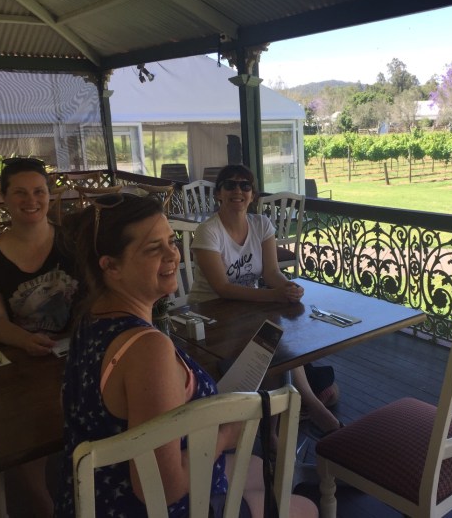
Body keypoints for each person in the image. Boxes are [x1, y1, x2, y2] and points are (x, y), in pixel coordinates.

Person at [55, 194, 316, 517]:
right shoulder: (145, 348)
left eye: (171, 241)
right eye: (154, 248)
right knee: (305, 508)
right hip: (146, 507)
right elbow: (161, 487)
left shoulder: (89, 320)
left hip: (90, 498)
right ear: (111, 266)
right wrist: (227, 433)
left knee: (256, 465)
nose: (173, 255)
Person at [188, 165, 342, 437]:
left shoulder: (261, 225)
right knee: (270, 346)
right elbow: (222, 288)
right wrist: (273, 295)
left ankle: (276, 426)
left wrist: (287, 287)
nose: (238, 190)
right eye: (230, 185)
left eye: (245, 185)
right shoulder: (208, 231)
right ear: (219, 194)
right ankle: (306, 411)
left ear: (253, 195)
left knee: (276, 343)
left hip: (248, 310)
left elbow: (271, 272)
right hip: (211, 316)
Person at [0, 157, 80, 517]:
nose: (31, 200)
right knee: (26, 438)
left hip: (74, 354)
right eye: (19, 193)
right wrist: (24, 340)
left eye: (39, 191)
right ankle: (44, 506)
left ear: (49, 195)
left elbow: (94, 298)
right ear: (3, 198)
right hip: (16, 363)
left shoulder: (73, 242)